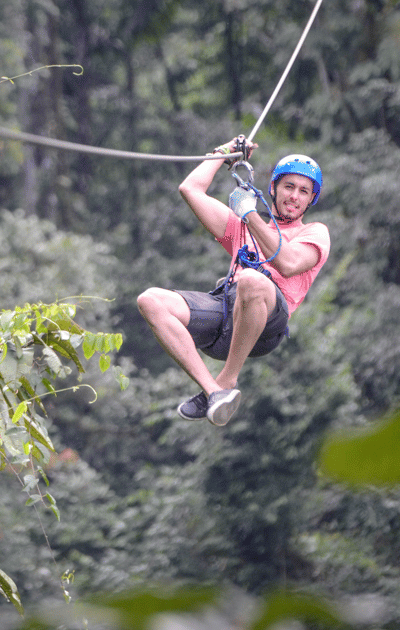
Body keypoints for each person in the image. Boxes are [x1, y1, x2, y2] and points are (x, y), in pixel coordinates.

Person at [137, 136, 331, 426]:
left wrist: (250, 214)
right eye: (289, 186)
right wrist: (222, 153)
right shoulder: (241, 227)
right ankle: (212, 391)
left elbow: (288, 263)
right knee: (150, 301)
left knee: (252, 280)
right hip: (226, 313)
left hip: (267, 323)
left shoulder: (315, 232)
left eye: (304, 191)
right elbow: (190, 189)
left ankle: (227, 379)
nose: (294, 196)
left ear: (310, 199)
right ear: (274, 188)